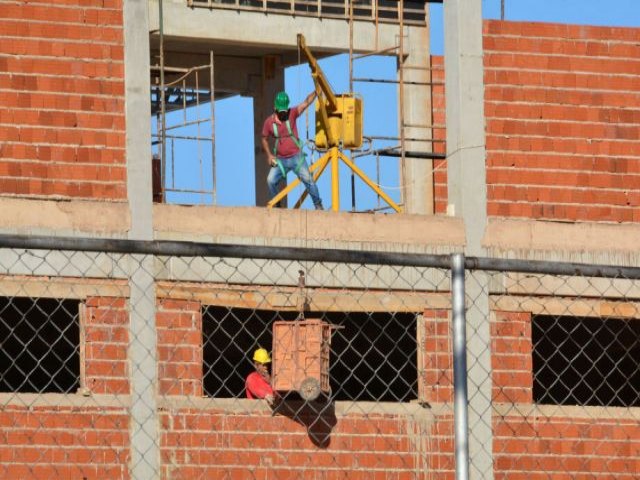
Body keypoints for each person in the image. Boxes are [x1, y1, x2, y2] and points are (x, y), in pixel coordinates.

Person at [261, 90, 324, 210]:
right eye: (281, 111)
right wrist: (269, 155)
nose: (283, 113)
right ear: (275, 108)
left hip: (296, 157)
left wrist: (316, 91)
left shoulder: (292, 113)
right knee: (270, 180)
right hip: (280, 160)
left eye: (285, 110)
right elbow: (264, 138)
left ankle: (318, 205)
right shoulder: (269, 123)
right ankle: (277, 204)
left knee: (308, 179)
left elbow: (306, 102)